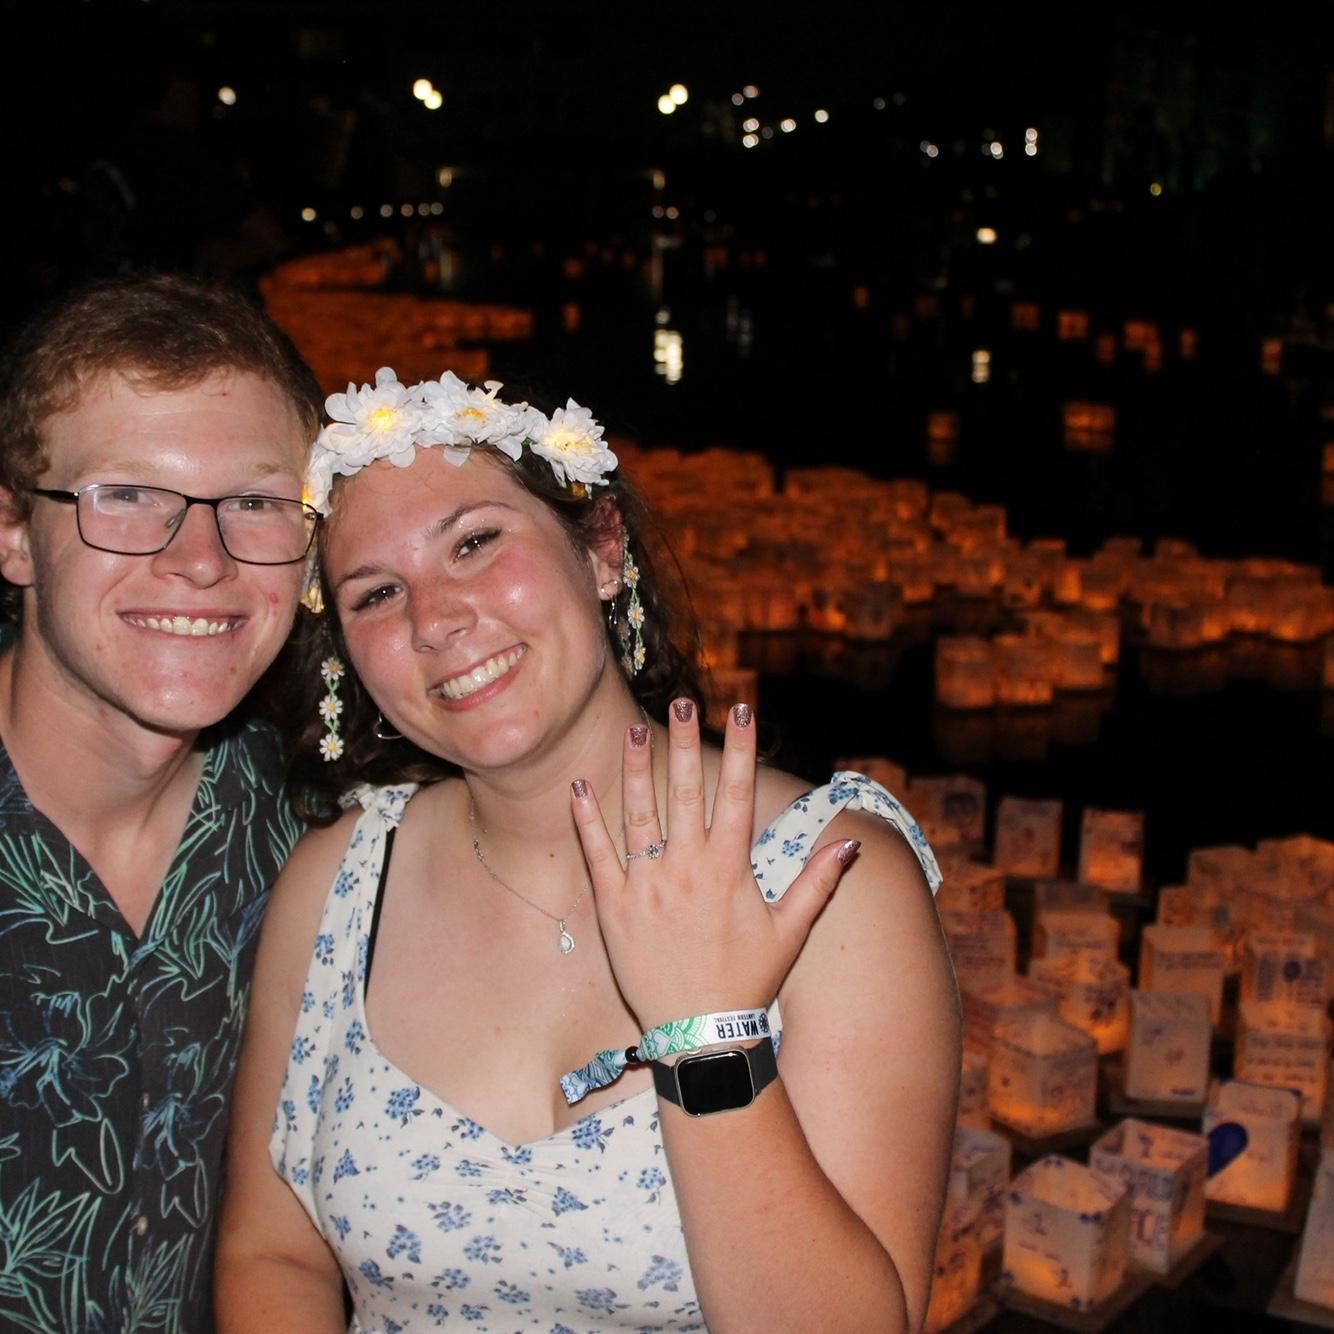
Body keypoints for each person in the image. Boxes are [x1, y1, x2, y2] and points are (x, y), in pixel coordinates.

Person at [215, 368, 960, 1332]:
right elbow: (272, 1253)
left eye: (476, 543)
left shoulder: (831, 881)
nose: (434, 619)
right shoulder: (340, 885)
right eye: (375, 593)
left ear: (601, 548)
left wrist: (705, 1032)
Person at [0, 274, 322, 1333]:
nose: (200, 560)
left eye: (257, 502)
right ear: (12, 533)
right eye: (127, 495)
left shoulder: (314, 834)